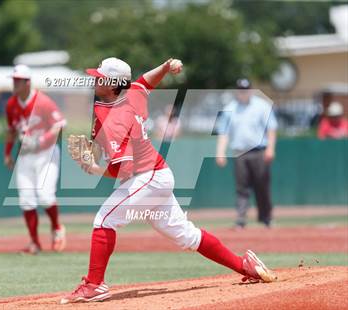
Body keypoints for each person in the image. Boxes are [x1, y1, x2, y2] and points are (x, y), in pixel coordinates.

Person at [61, 58, 276, 304]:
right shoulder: (132, 93)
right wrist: (165, 67)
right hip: (156, 176)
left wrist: (94, 168)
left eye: (100, 77)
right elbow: (144, 82)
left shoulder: (116, 115)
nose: (94, 79)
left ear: (113, 84)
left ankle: (94, 285)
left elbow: (124, 168)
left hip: (148, 178)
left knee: (105, 219)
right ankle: (244, 266)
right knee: (187, 236)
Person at [5, 64, 67, 254]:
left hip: (46, 153)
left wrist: (40, 140)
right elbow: (12, 131)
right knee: (26, 200)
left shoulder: (43, 101)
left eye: (18, 80)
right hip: (25, 155)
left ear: (27, 82)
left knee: (46, 196)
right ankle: (35, 242)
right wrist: (7, 153)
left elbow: (59, 125)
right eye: (13, 80)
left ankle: (57, 228)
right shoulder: (12, 104)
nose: (14, 84)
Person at [215, 78, 277, 229]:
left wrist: (271, 148)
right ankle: (241, 219)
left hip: (259, 152)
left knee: (262, 185)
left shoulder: (262, 106)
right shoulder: (230, 108)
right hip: (240, 152)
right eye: (241, 90)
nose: (243, 92)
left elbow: (271, 128)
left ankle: (266, 217)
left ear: (251, 90)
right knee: (241, 187)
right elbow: (223, 132)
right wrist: (220, 152)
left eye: (246, 89)